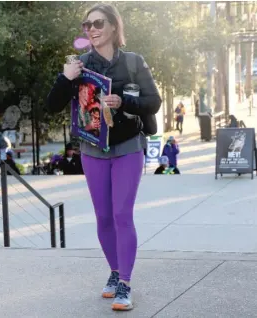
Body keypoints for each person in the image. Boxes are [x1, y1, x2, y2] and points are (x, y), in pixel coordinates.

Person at [46, 3, 161, 311]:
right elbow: (51, 105)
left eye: (98, 23)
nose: (92, 30)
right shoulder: (79, 64)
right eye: (87, 26)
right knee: (104, 217)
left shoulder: (134, 62)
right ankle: (113, 271)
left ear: (113, 26)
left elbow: (154, 102)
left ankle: (125, 283)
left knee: (122, 214)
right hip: (92, 149)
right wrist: (65, 77)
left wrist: (123, 101)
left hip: (127, 146)